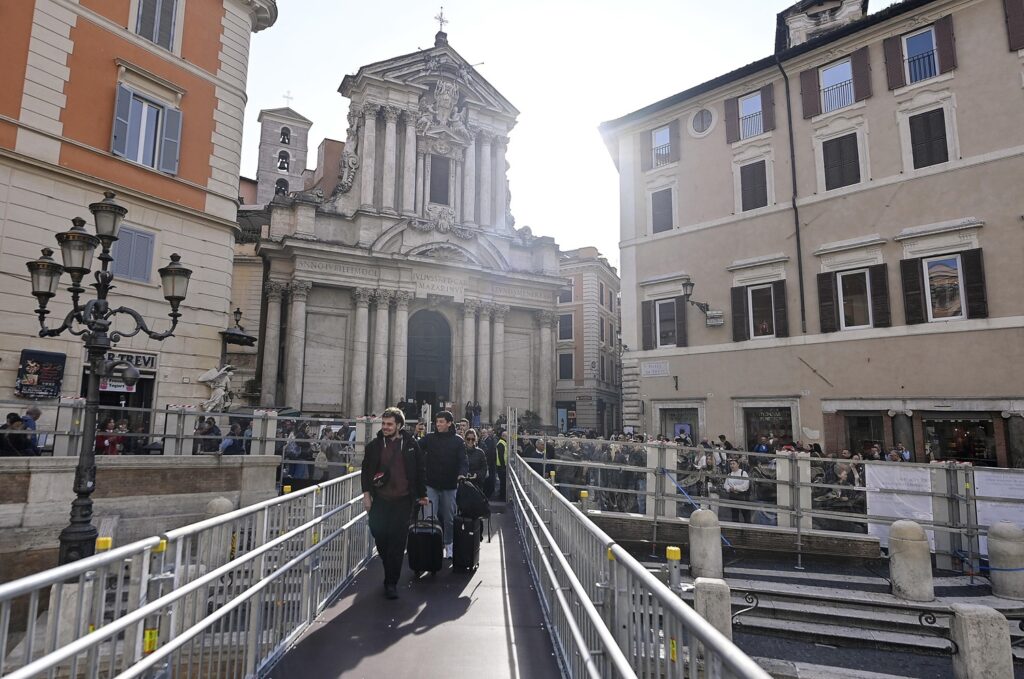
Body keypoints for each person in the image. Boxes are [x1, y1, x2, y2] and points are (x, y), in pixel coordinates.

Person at [361, 407, 428, 599]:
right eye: (383, 424)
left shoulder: (410, 445)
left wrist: (422, 494)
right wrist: (367, 495)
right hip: (380, 499)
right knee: (380, 536)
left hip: (403, 500)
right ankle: (388, 564)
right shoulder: (373, 446)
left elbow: (420, 471)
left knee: (397, 544)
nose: (386, 427)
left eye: (390, 424)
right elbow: (366, 473)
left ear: (399, 425)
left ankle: (391, 583)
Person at [419, 410, 468, 558]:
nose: (438, 424)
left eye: (441, 422)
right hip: (431, 484)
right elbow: (414, 449)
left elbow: (463, 461)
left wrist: (462, 474)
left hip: (450, 485)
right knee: (429, 518)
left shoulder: (458, 441)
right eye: (437, 421)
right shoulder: (429, 438)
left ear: (449, 423)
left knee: (449, 518)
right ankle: (430, 546)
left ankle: (449, 545)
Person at [722, 458, 750, 523]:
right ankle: (736, 530)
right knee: (734, 515)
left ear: (738, 465)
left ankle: (747, 530)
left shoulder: (743, 473)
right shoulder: (729, 475)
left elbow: (746, 485)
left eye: (733, 464)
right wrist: (729, 488)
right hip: (733, 496)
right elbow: (725, 485)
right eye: (731, 464)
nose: (732, 465)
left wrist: (735, 488)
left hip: (742, 497)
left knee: (745, 514)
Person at [495, 429, 508, 501]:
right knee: (503, 482)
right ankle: (502, 496)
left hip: (502, 466)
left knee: (503, 482)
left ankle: (502, 495)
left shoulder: (503, 443)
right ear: (504, 436)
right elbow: (501, 456)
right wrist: (503, 467)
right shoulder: (501, 443)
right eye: (507, 436)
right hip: (501, 466)